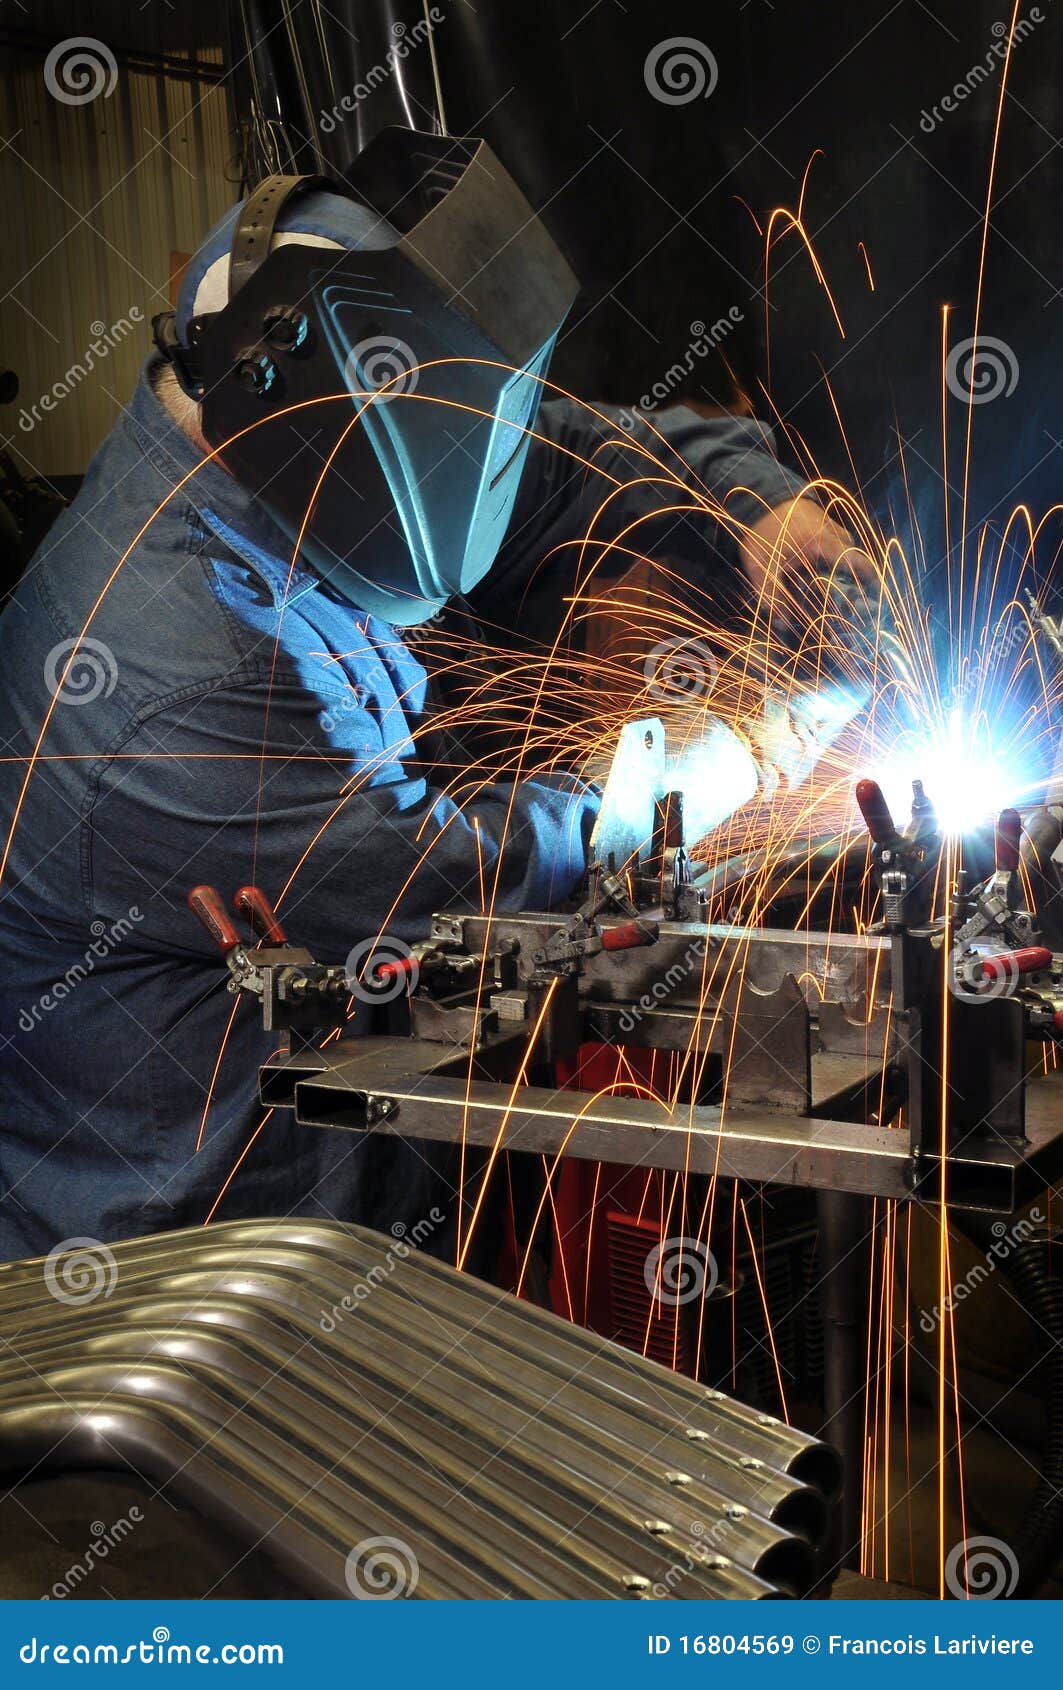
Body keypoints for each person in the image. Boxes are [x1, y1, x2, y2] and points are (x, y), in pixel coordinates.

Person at [0, 137, 859, 1263]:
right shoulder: (175, 668)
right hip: (187, 1292)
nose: (493, 461)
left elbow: (574, 457)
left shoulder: (305, 444)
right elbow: (448, 875)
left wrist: (755, 507)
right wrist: (710, 775)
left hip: (325, 1224)